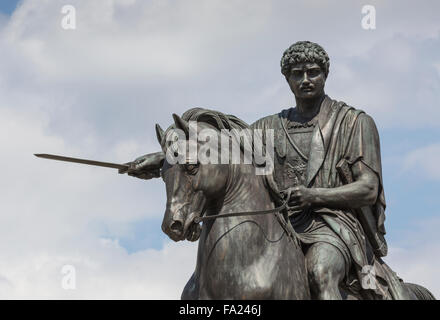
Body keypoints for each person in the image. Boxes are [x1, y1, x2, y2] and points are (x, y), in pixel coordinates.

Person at [122, 41, 412, 300]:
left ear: (325, 74)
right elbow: (212, 152)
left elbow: (368, 188)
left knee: (320, 272)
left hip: (331, 226)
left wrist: (315, 196)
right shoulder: (267, 129)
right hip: (280, 224)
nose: (306, 80)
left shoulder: (354, 122)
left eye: (313, 72)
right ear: (287, 79)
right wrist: (162, 159)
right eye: (297, 74)